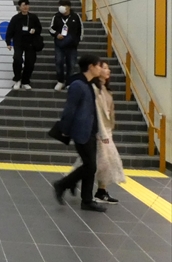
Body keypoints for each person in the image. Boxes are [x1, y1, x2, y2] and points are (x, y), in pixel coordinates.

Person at [52, 55, 107, 212]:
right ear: (90, 67)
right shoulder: (78, 84)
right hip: (81, 131)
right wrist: (65, 129)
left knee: (90, 166)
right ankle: (63, 184)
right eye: (98, 66)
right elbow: (70, 109)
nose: (100, 69)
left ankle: (86, 199)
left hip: (90, 130)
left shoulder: (89, 84)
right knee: (90, 165)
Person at [92, 60, 124, 203]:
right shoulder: (95, 89)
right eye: (105, 68)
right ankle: (100, 191)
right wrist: (102, 132)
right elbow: (98, 112)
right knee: (103, 162)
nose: (108, 71)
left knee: (103, 161)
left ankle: (101, 190)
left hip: (107, 129)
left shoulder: (106, 90)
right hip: (100, 130)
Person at [5, 0, 42, 90]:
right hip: (18, 42)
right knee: (17, 59)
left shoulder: (33, 17)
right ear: (20, 7)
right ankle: (17, 79)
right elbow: (10, 31)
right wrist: (8, 42)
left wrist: (35, 30)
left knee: (30, 62)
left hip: (30, 43)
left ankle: (25, 80)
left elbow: (39, 28)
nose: (25, 7)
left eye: (27, 5)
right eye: (23, 5)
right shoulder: (15, 18)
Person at [49, 0, 83, 91]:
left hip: (72, 45)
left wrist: (77, 41)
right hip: (59, 45)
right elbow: (51, 29)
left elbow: (81, 29)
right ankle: (60, 81)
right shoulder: (56, 16)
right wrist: (57, 34)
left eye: (64, 5)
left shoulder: (75, 16)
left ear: (69, 7)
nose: (62, 7)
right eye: (61, 5)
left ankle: (69, 82)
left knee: (71, 64)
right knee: (59, 62)